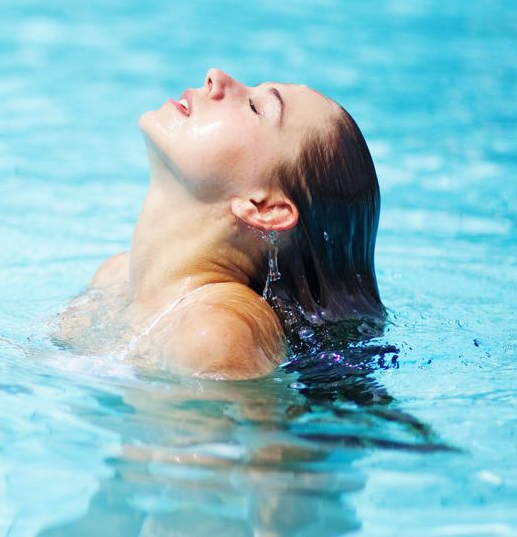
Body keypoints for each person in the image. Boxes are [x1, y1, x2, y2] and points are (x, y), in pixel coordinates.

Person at [53, 68, 384, 380]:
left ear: (265, 207)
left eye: (256, 107)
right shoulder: (113, 277)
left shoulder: (217, 334)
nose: (216, 76)